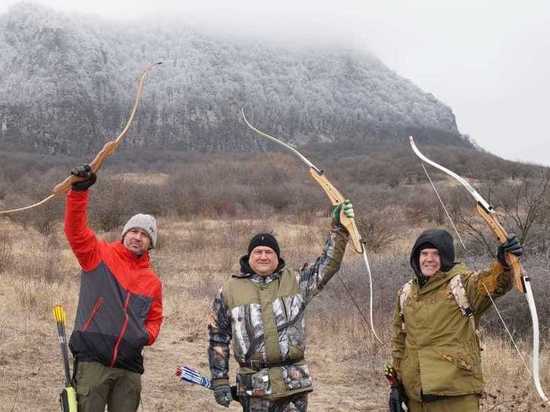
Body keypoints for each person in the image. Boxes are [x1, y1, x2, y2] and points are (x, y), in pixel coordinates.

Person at [207, 200, 355, 411]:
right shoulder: (229, 290)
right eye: (258, 252)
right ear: (249, 257)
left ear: (277, 257)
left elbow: (328, 264)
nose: (264, 256)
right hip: (254, 389)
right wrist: (219, 380)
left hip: (293, 386)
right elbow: (218, 338)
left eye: (269, 252)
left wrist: (340, 228)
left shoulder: (296, 281)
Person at [390, 228, 523, 412]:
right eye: (424, 253)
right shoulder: (406, 293)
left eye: (436, 254)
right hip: (415, 398)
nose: (428, 259)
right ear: (416, 256)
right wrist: (395, 386)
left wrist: (504, 264)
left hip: (456, 397)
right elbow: (399, 341)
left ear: (445, 256)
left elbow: (495, 284)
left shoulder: (463, 285)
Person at [64, 164, 163, 412]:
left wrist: (144, 335)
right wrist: (79, 192)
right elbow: (75, 231)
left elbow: (155, 318)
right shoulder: (99, 255)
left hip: (129, 365)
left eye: (144, 234)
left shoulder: (152, 281)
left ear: (151, 243)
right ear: (124, 234)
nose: (137, 237)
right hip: (93, 359)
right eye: (133, 231)